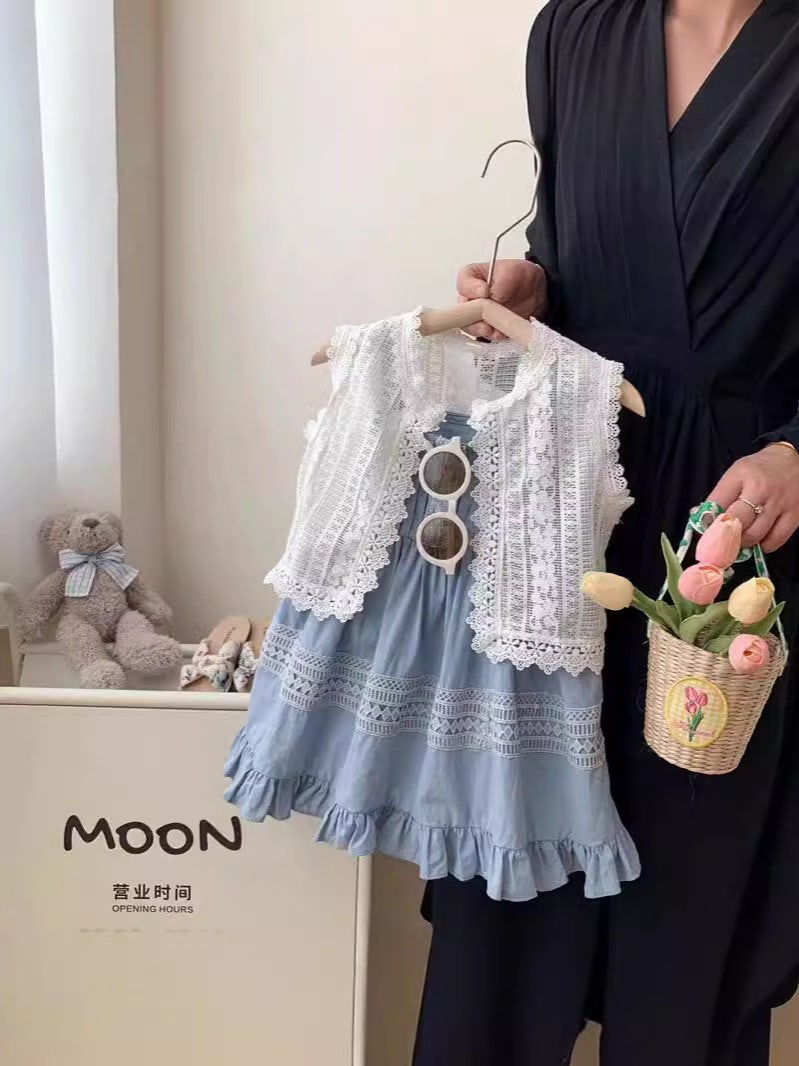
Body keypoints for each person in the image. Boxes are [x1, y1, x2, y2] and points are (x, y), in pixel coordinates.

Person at [413, 2, 799, 1064]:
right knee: (509, 866)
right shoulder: (575, 33)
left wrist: (796, 453)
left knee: (687, 904)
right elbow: (568, 253)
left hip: (727, 535)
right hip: (562, 507)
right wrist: (530, 290)